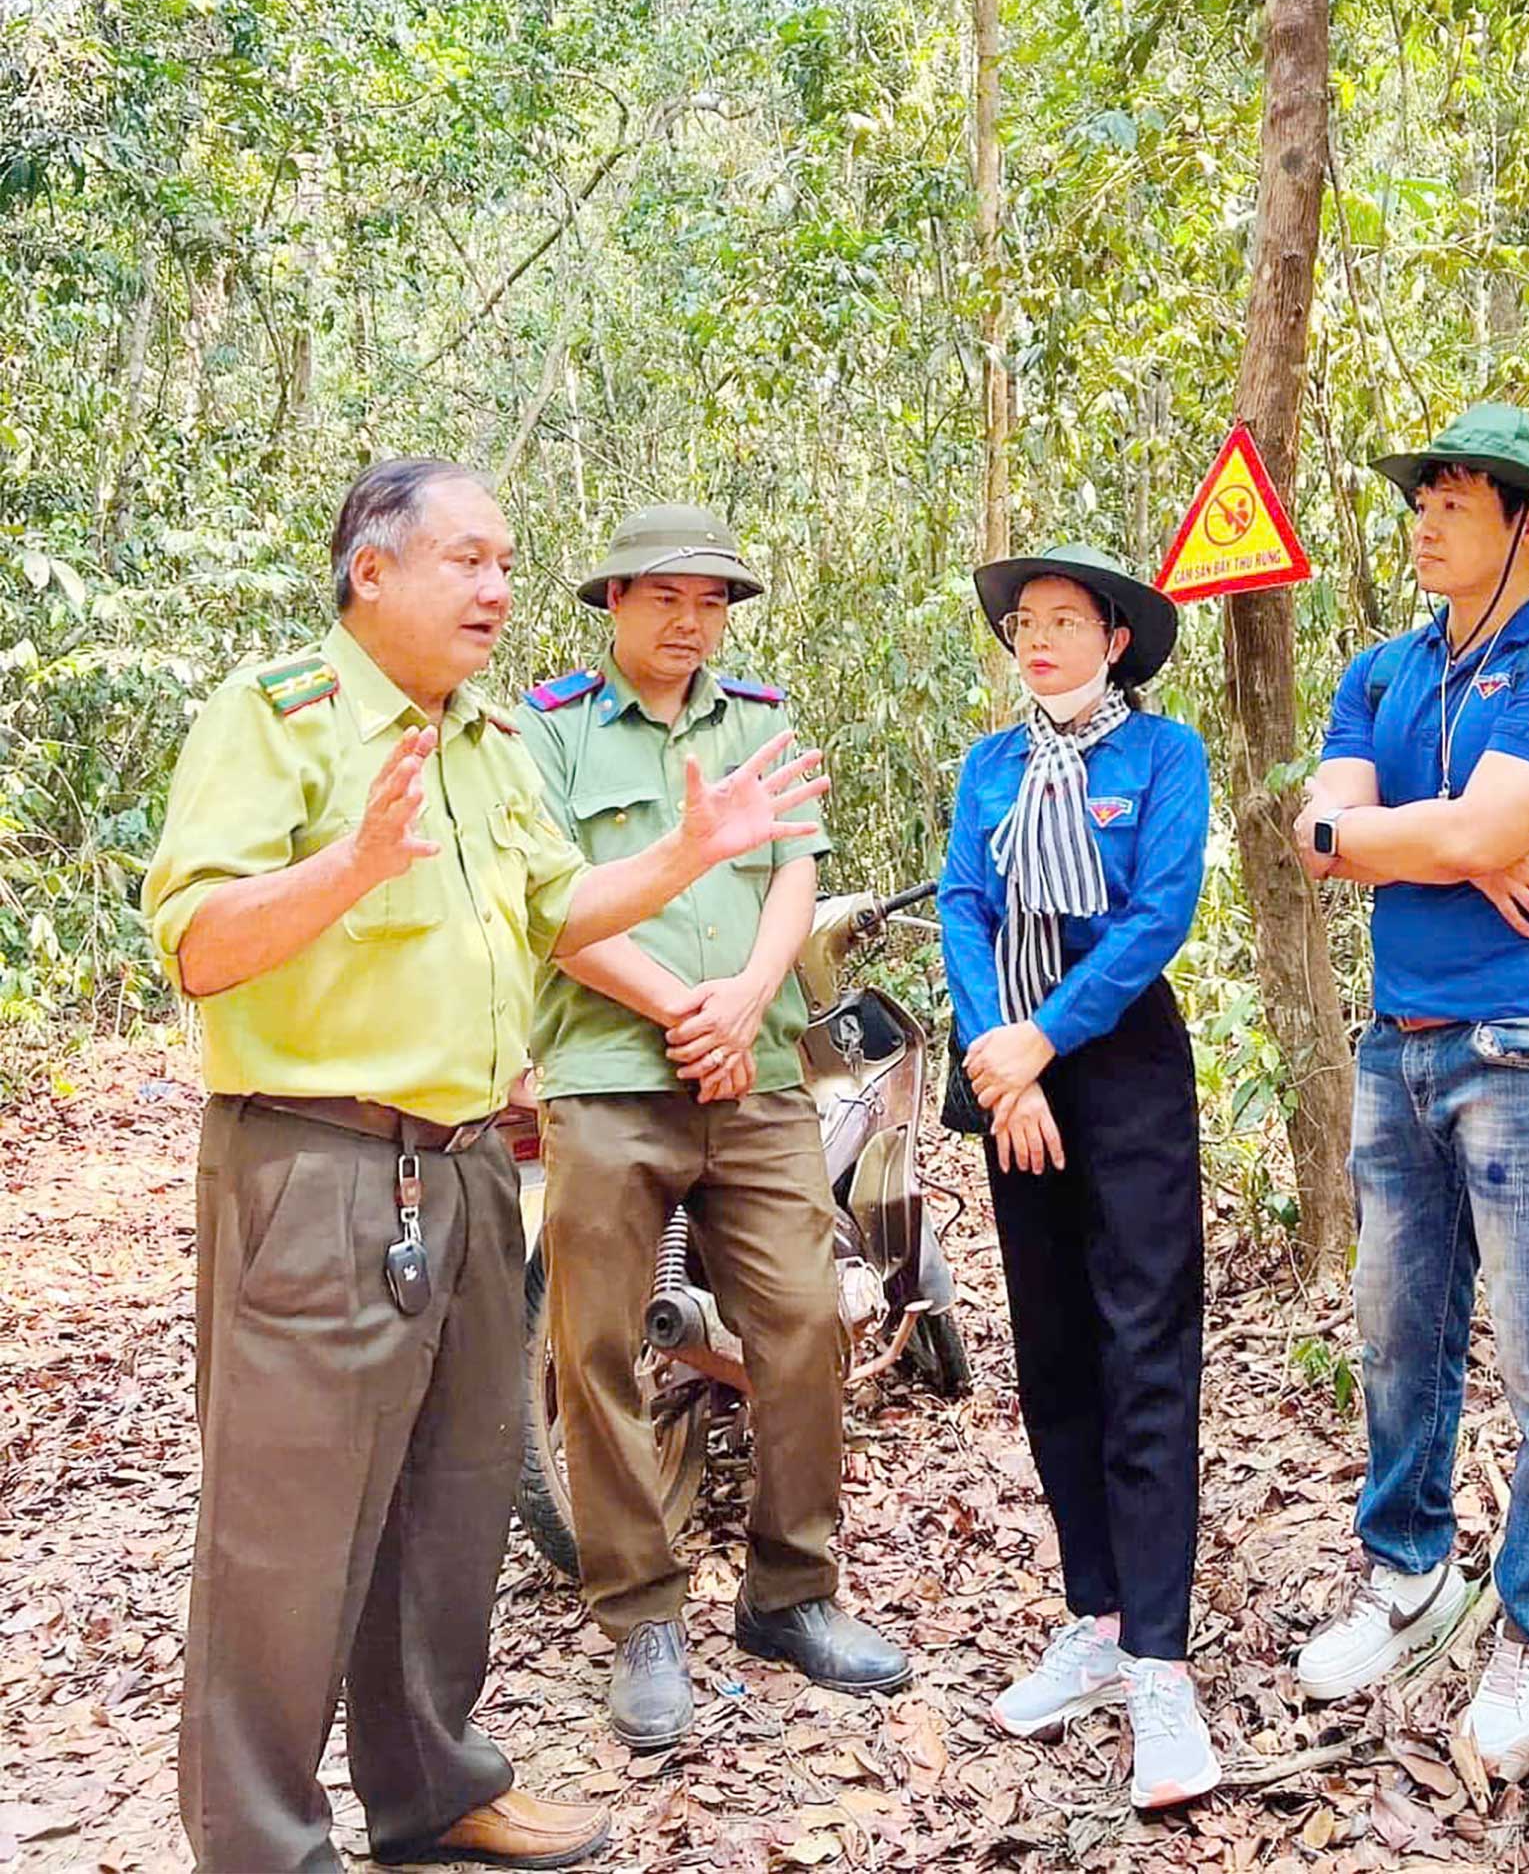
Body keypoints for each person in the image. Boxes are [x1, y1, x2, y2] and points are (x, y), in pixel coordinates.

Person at [141, 459, 825, 1874]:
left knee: (450, 1498)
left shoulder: (487, 736)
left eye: (507, 562)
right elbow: (199, 945)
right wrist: (348, 862)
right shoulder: (277, 720)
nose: (500, 589)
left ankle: (433, 1788)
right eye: (468, 560)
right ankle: (263, 1844)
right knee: (287, 1523)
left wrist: (692, 849)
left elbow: (557, 905)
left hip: (460, 1166)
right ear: (371, 570)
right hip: (313, 1158)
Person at [1288, 403, 1529, 1782]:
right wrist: (1445, 843)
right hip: (1403, 1041)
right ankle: (1409, 1575)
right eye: (1421, 496)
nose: (1426, 519)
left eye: (1457, 500)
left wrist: (1435, 837)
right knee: (1397, 1330)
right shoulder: (1383, 670)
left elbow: (1446, 827)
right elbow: (1315, 833)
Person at [514, 503, 909, 1753]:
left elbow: (794, 868)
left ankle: (790, 1594)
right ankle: (640, 1618)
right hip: (605, 1074)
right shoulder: (550, 732)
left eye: (713, 604)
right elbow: (551, 904)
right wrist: (684, 1005)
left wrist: (743, 1001)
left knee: (800, 1320)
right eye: (667, 600)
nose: (692, 624)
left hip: (757, 1076)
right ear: (615, 601)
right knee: (593, 1350)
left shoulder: (758, 718)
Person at [938, 543, 1216, 1813]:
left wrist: (1047, 1039)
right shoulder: (989, 767)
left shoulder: (1161, 757)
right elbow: (964, 906)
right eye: (1021, 624)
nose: (1036, 639)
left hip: (1120, 1067)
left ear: (1114, 640)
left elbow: (1158, 915)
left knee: (1142, 1347)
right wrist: (1005, 1062)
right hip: (1012, 1073)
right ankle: (1094, 1620)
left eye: (1062, 621)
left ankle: (1160, 1665)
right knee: (1051, 1349)